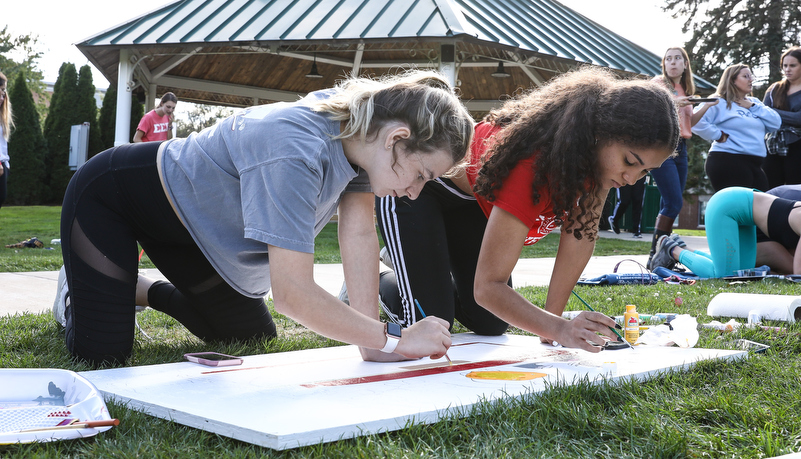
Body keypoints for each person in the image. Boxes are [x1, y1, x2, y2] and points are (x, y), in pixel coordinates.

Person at [54, 70, 473, 366]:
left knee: (249, 336)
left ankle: (137, 288)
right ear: (397, 138)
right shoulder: (295, 146)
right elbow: (292, 295)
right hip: (114, 196)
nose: (416, 192)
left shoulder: (363, 148)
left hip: (195, 236)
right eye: (422, 175)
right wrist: (397, 338)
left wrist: (375, 343)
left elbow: (359, 234)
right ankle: (76, 289)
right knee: (102, 352)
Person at [376, 67, 680, 353]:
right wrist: (560, 329)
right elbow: (488, 287)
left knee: (491, 322)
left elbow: (578, 240)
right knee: (432, 319)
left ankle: (421, 262)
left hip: (471, 205)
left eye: (644, 172)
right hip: (417, 188)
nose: (630, 180)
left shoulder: (599, 170)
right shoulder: (533, 166)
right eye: (629, 161)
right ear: (599, 134)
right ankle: (381, 277)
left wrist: (551, 326)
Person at [650, 187, 801, 277]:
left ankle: (682, 247)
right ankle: (672, 249)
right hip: (726, 207)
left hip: (744, 215)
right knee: (724, 276)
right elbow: (798, 273)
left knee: (739, 274)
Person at [691, 64, 781, 192]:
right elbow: (696, 122)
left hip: (755, 163)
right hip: (728, 160)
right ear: (732, 80)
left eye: (751, 76)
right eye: (745, 76)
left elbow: (776, 122)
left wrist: (752, 106)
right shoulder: (720, 101)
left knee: (763, 205)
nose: (751, 80)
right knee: (740, 208)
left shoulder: (754, 102)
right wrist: (717, 135)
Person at [647, 48, 695, 269]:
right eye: (668, 59)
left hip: (682, 146)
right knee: (674, 203)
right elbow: (653, 108)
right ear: (664, 65)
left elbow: (689, 123)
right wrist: (678, 102)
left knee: (668, 202)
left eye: (677, 58)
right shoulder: (659, 84)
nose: (673, 62)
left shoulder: (684, 89)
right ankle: (656, 254)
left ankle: (659, 256)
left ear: (685, 64)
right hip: (663, 145)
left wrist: (706, 106)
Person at [762, 47, 801, 189]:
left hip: (797, 145)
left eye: (792, 65)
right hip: (773, 145)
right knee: (770, 190)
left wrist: (773, 112)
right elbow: (763, 114)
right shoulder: (774, 89)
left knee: (795, 190)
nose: (787, 69)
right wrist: (771, 113)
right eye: (785, 66)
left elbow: (799, 119)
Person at [0, 72, 12, 210]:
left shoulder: (1, 116)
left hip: (3, 164)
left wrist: (6, 163)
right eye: (2, 90)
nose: (3, 96)